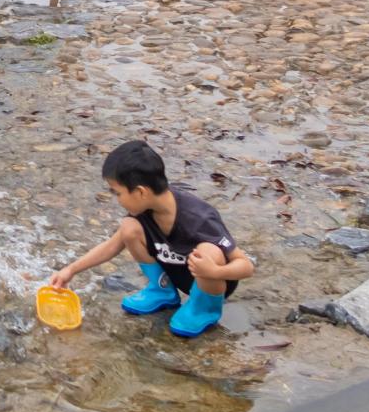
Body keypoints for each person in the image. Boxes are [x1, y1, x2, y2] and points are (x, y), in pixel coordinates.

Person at [49, 140, 255, 338]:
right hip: (179, 272)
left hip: (211, 277)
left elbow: (245, 266)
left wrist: (215, 271)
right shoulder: (144, 212)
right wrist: (71, 270)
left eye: (117, 193)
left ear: (140, 192)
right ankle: (162, 290)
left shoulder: (199, 218)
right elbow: (112, 246)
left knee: (209, 250)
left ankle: (203, 309)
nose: (117, 200)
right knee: (128, 228)